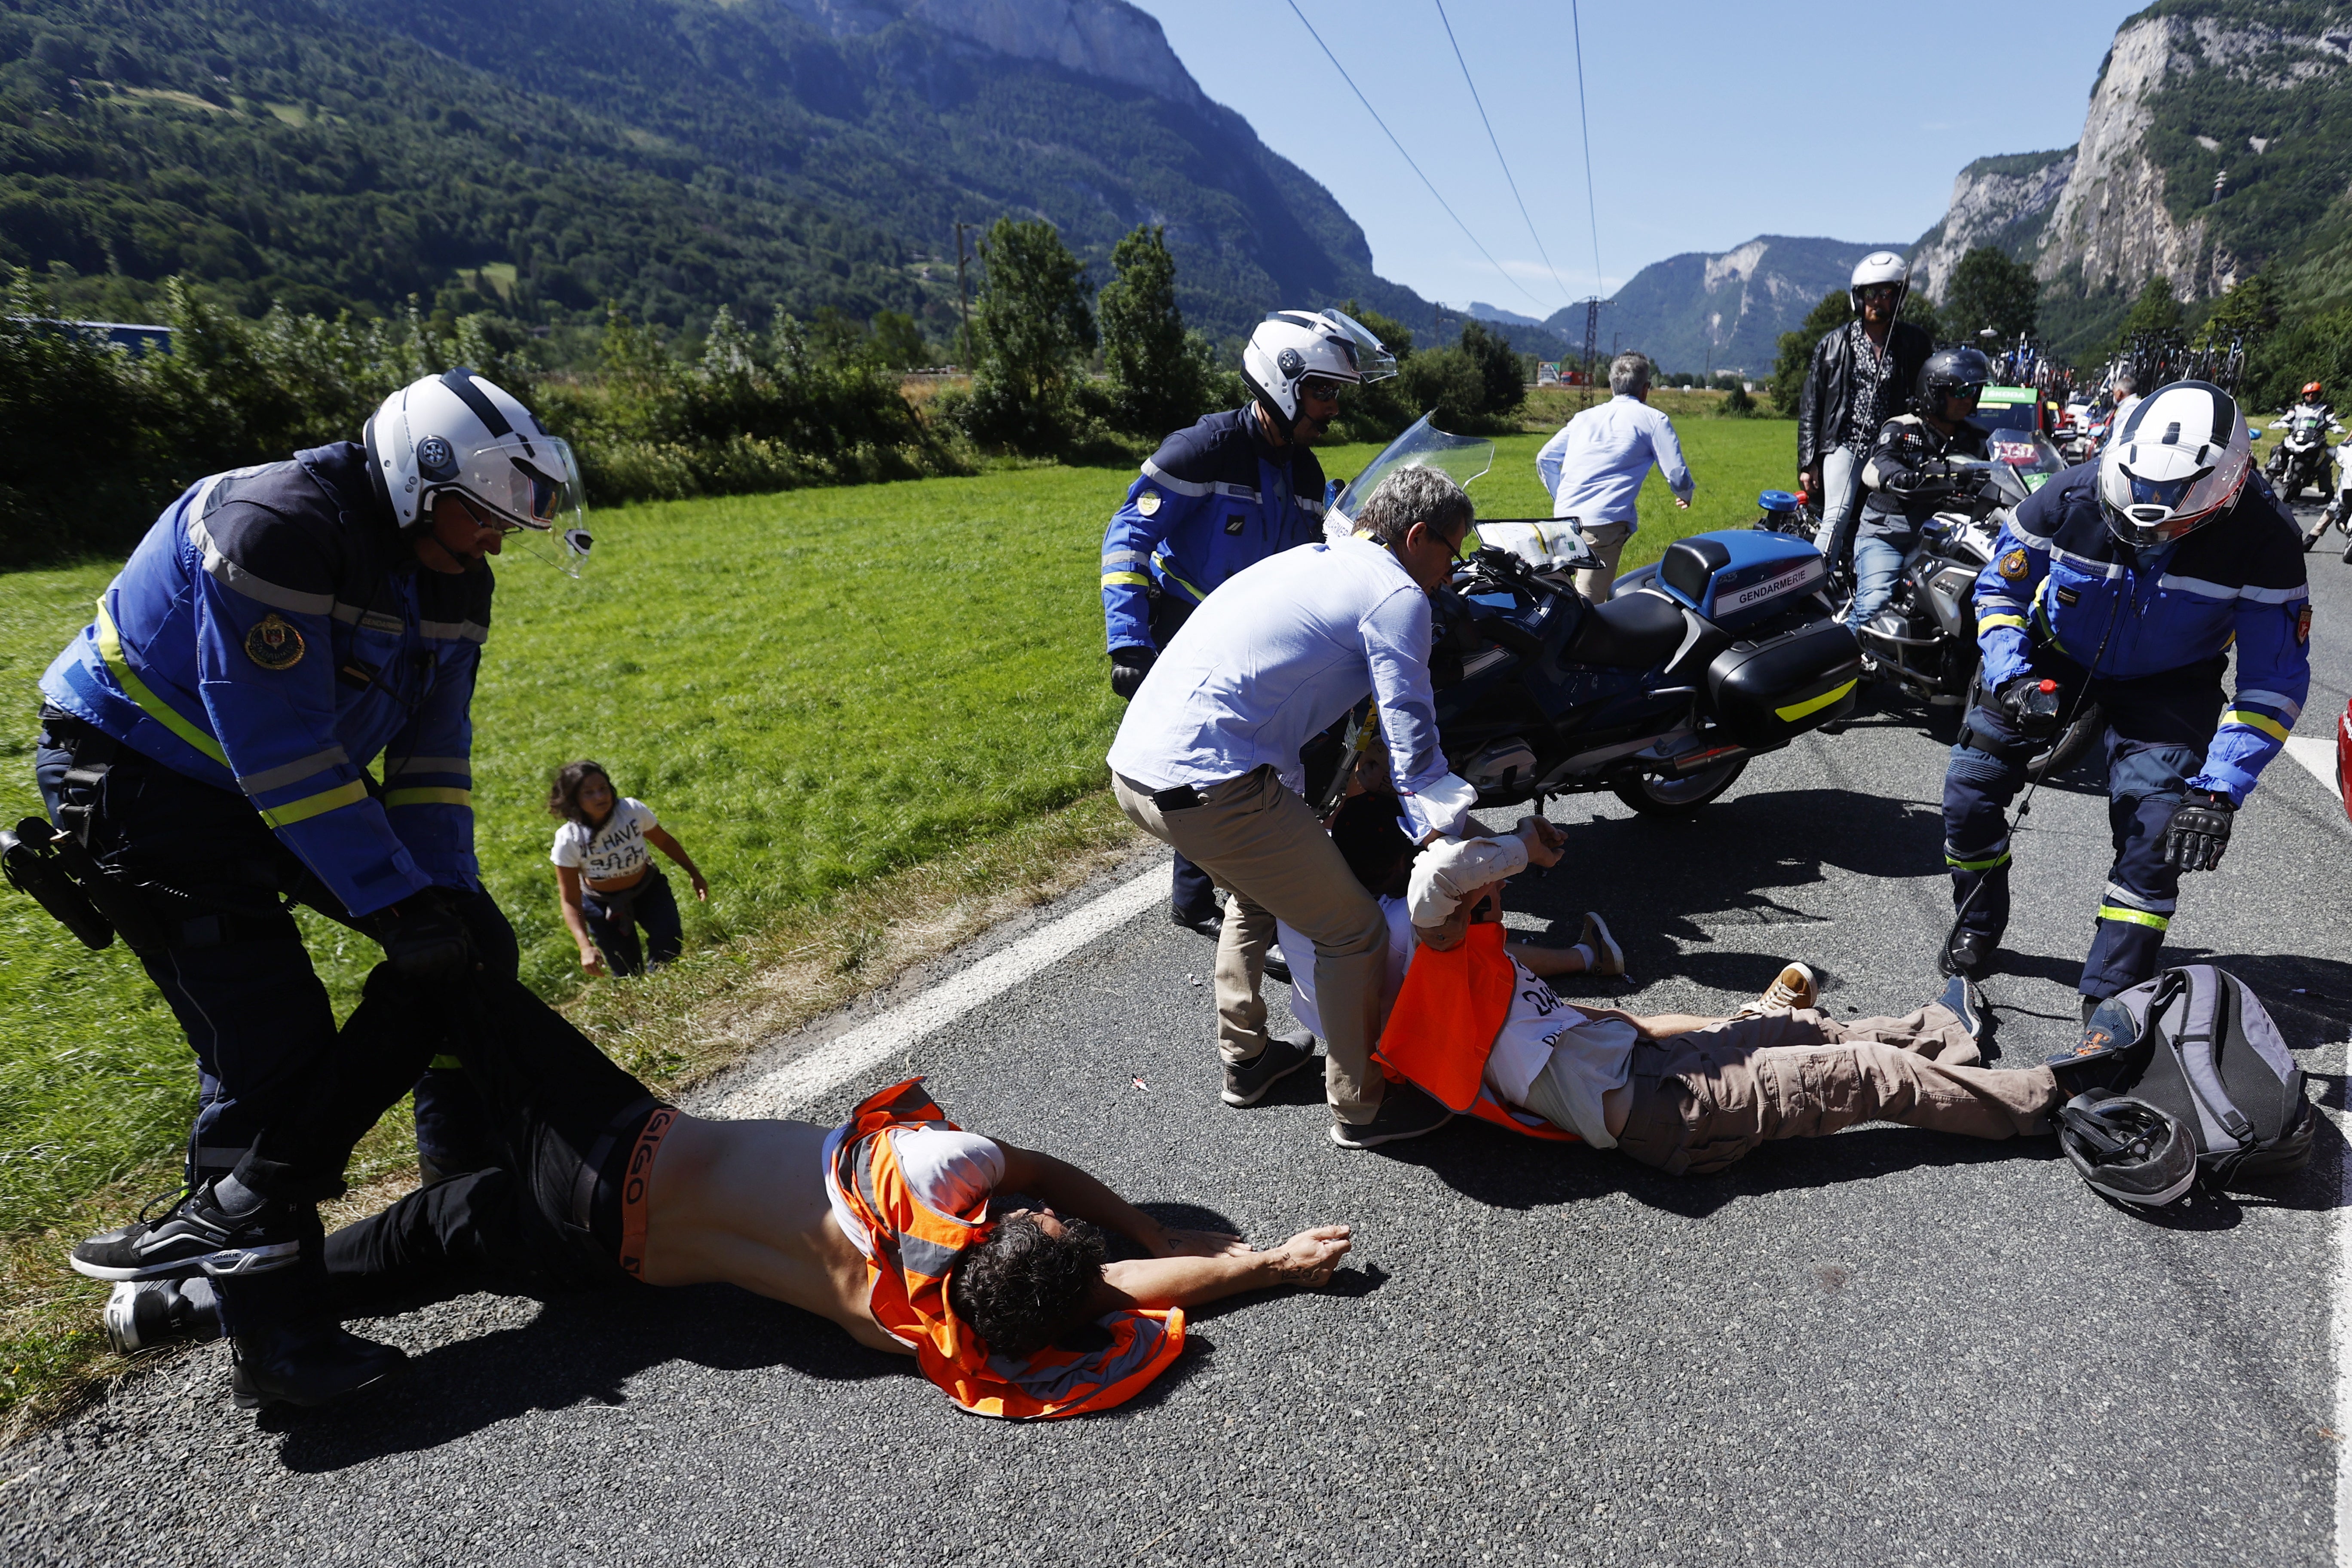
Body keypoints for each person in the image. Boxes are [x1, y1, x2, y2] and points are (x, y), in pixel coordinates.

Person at [36, 368, 588, 1408]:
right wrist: (390, 903)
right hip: (146, 785)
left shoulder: (454, 574)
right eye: (483, 518)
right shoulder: (275, 528)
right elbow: (277, 742)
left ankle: (457, 1202)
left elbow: (431, 756)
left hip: (278, 787)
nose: (496, 543)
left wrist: (440, 898)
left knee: (469, 947)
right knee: (269, 1045)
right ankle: (276, 1340)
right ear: (415, 484)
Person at [100, 976, 1355, 1420]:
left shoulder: (936, 1174)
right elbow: (1104, 1291)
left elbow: (1061, 1193)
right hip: (605, 1264)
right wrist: (1259, 1267)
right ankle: (199, 1302)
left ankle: (263, 1185)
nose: (1055, 1226)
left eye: (1046, 1232)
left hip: (611, 1160)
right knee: (437, 1237)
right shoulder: (914, 1327)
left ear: (1002, 1231)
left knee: (449, 974)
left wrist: (1152, 1221)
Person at [1345, 798, 2083, 1172]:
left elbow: (1615, 1026)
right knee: (1868, 1075)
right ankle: (2050, 1101)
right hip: (1674, 1117)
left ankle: (1943, 1036)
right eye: (1485, 889)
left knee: (1810, 1031)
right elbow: (1438, 882)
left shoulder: (1472, 963)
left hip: (1655, 1070)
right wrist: (1518, 849)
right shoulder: (1431, 956)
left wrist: (1722, 1024)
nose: (1495, 895)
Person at [1107, 464, 1479, 1150]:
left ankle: (1247, 1061)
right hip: (1213, 787)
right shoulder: (1397, 592)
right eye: (1452, 553)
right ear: (1418, 535)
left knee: (1256, 896)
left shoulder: (1311, 559)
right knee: (1354, 932)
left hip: (1137, 770)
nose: (1450, 575)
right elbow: (1412, 736)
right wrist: (1451, 831)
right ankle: (1361, 1106)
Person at [1939, 380, 2310, 1015]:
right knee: (1968, 791)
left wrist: (2219, 789)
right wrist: (2012, 677)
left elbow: (2271, 682)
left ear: (2224, 487)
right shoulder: (2070, 493)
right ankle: (1979, 915)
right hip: (2053, 658)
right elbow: (1998, 593)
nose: (2151, 514)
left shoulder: (2266, 537)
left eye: (2175, 509)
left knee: (2156, 831)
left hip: (2172, 681)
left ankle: (2111, 995)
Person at [1098, 309, 1397, 940]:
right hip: (1186, 627)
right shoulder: (1203, 449)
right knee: (1203, 766)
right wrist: (1128, 638)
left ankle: (1251, 882)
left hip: (1254, 639)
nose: (1333, 409)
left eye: (1336, 394)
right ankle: (1196, 900)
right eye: (1323, 391)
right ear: (1281, 380)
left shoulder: (1306, 472)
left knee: (1246, 760)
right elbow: (1128, 533)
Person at [1797, 252, 1934, 575]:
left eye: (1886, 293)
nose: (1878, 301)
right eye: (1870, 294)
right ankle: (1817, 581)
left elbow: (1928, 395)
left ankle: (1880, 582)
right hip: (1845, 444)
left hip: (1893, 450)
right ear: (1857, 298)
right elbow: (1811, 405)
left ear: (1899, 298)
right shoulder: (1834, 344)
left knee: (1895, 521)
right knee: (1837, 513)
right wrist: (1809, 460)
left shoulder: (1914, 343)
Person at [1847, 347, 1993, 636]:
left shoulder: (1977, 439)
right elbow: (1880, 463)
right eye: (1959, 392)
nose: (1968, 400)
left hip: (1944, 539)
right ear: (1935, 393)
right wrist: (1899, 478)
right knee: (1873, 603)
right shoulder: (1902, 428)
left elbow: (1999, 470)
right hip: (1889, 535)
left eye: (1972, 392)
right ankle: (1842, 664)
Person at [1534, 351, 1693, 602]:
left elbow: (1545, 459)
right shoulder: (1653, 420)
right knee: (1587, 606)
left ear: (1611, 386)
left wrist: (1563, 499)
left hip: (1562, 522)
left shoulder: (1583, 418)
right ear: (1646, 389)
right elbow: (1676, 473)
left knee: (1561, 599)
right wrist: (1684, 493)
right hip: (1602, 527)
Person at [548, 760, 709, 977]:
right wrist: (585, 946)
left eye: (603, 789)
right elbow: (570, 901)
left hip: (649, 889)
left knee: (669, 943)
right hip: (602, 906)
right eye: (589, 793)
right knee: (626, 971)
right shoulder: (569, 839)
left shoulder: (631, 811)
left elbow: (665, 842)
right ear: (574, 799)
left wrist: (694, 873)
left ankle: (660, 986)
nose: (600, 797)